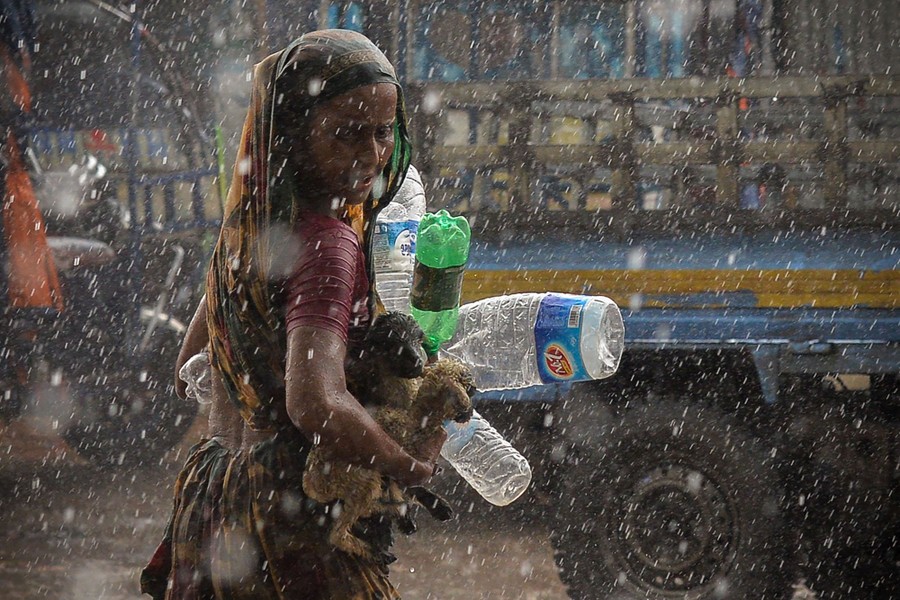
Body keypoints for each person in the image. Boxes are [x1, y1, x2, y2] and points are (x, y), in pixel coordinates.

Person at [141, 29, 444, 599]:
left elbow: (192, 366)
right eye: (347, 134)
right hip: (286, 520)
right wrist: (407, 464)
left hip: (216, 497)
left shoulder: (249, 226)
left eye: (383, 133)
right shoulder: (329, 243)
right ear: (293, 136)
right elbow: (314, 403)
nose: (372, 154)